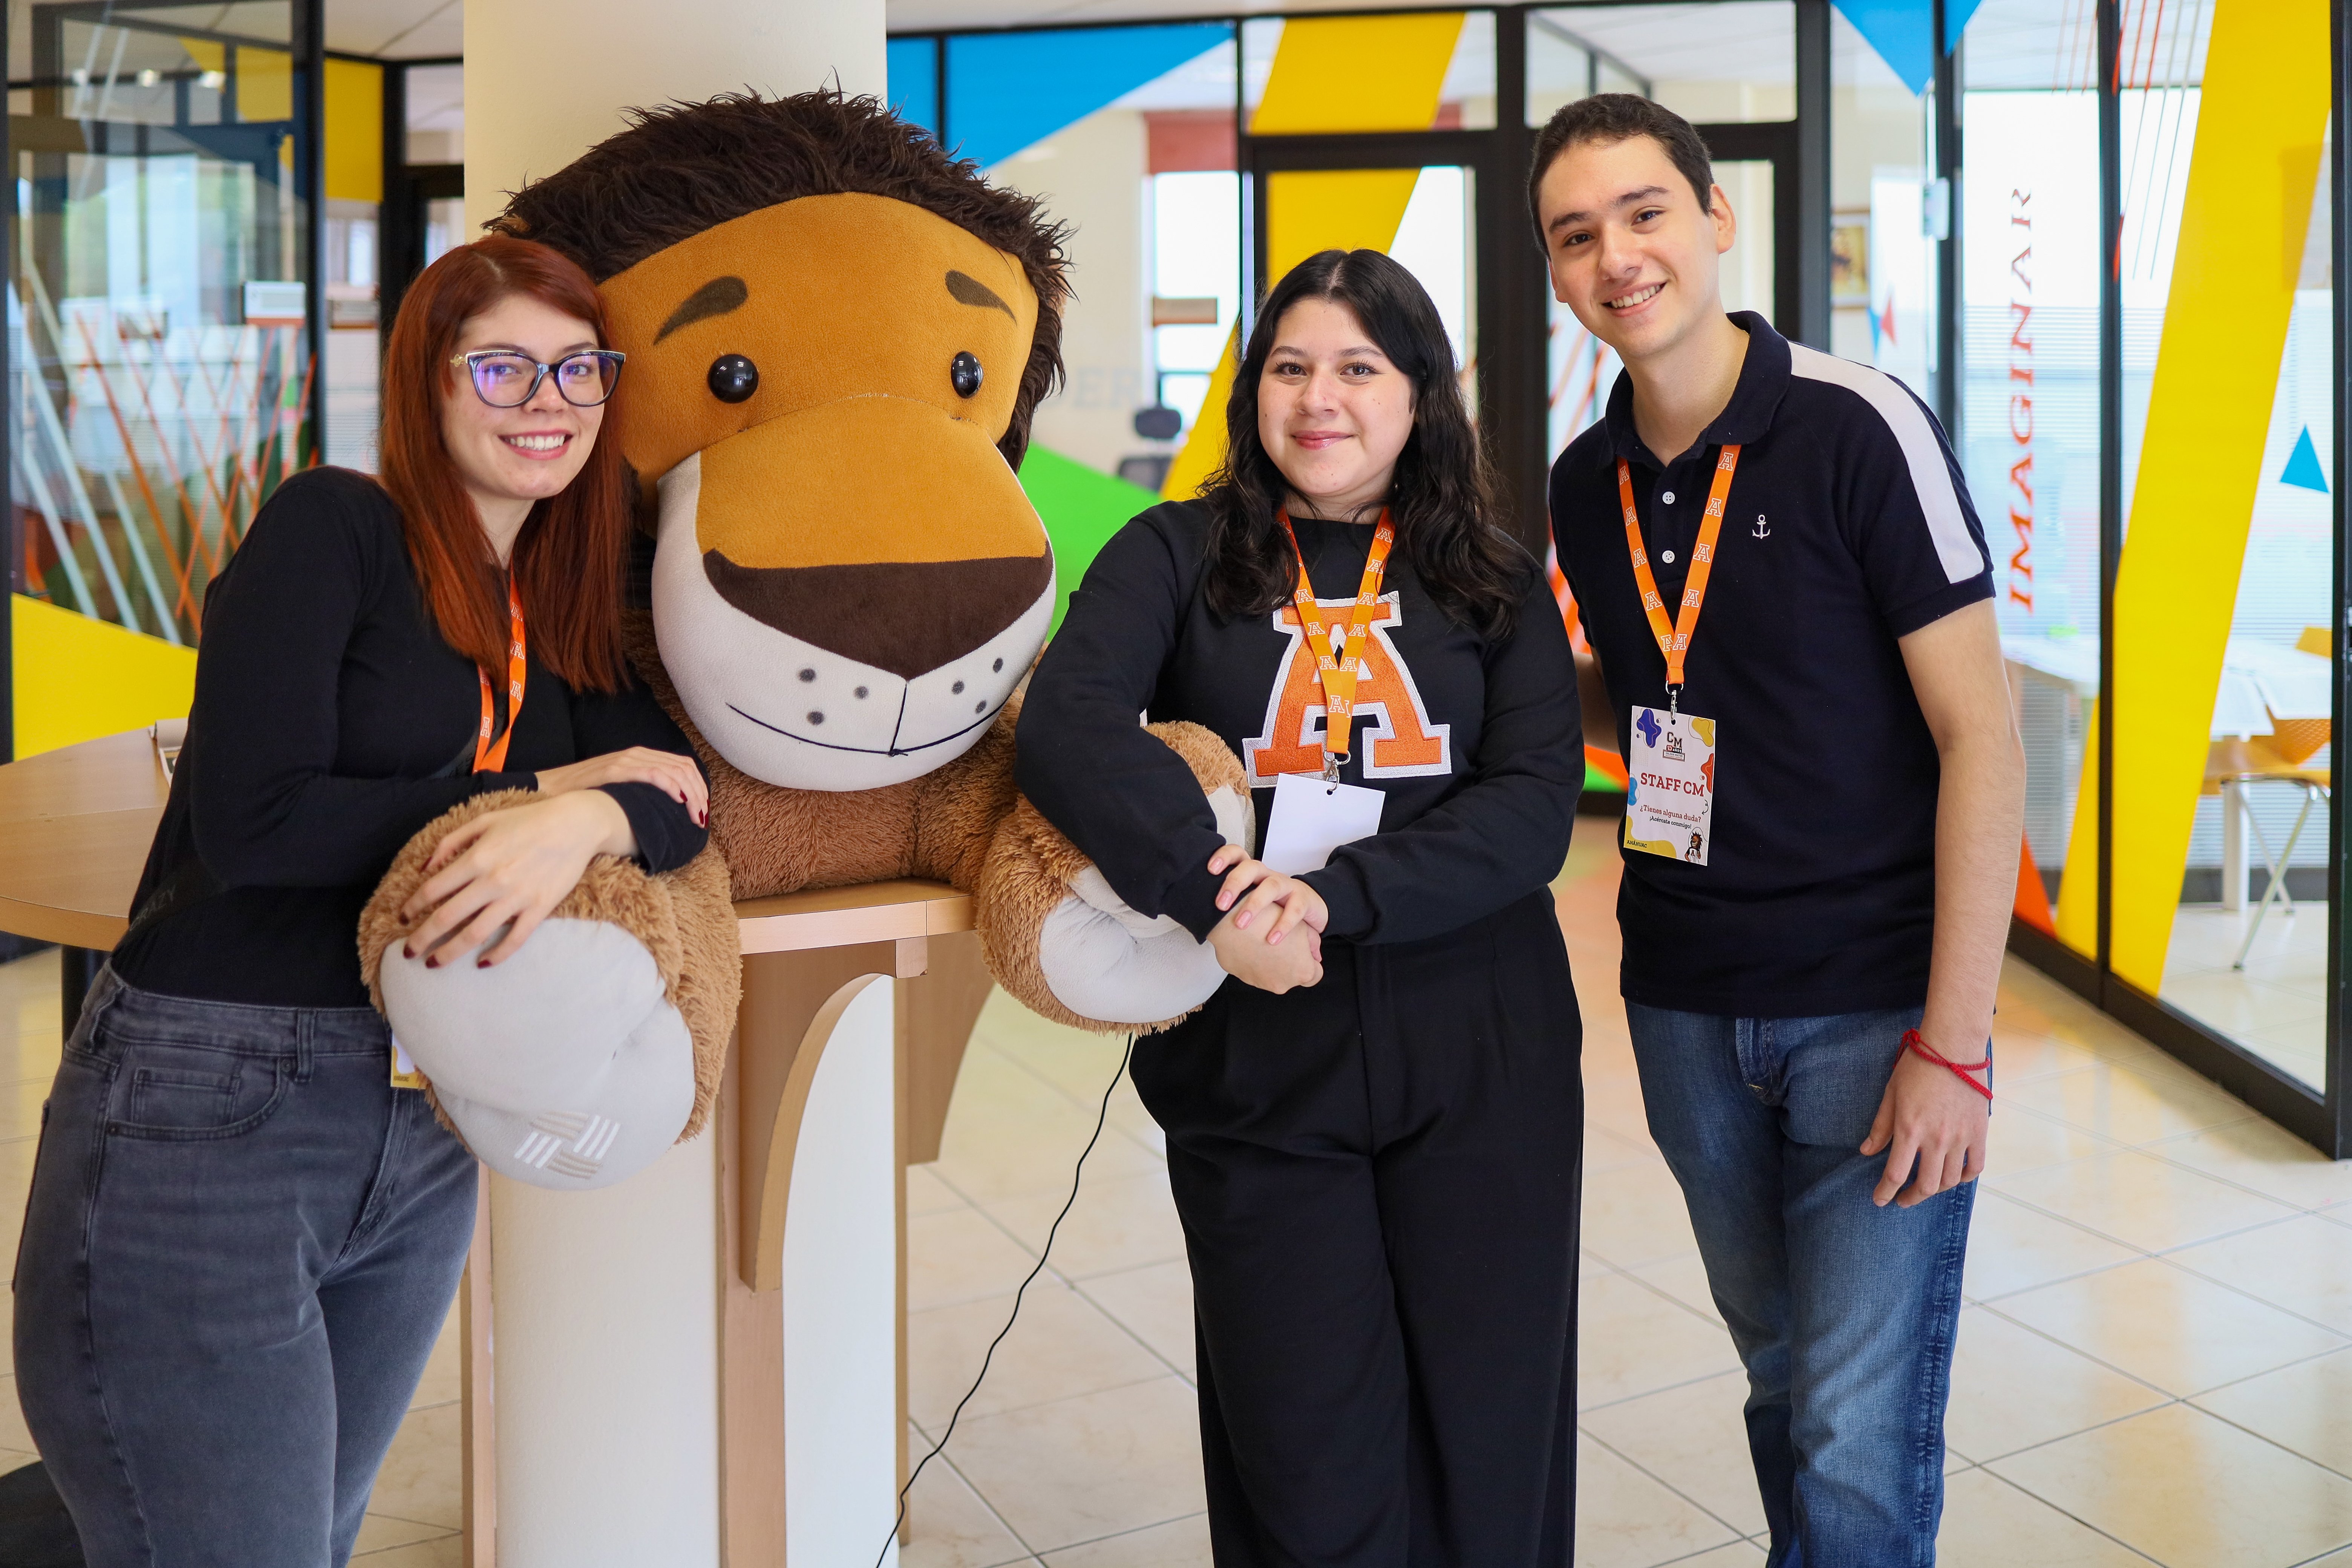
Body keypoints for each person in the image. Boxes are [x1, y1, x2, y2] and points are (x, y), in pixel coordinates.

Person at [13, 236, 711, 1567]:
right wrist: (545, 788)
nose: (545, 398)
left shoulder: (556, 604)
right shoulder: (339, 527)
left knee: (314, 1538)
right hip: (210, 1105)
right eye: (502, 365)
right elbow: (256, 821)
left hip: (422, 1121)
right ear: (429, 383)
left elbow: (675, 801)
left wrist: (579, 817)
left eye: (578, 369)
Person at [1019, 249, 1585, 1565]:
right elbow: (1067, 727)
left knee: (1491, 1429)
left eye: (1356, 368)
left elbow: (1532, 806)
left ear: (1420, 396)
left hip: (1479, 1042)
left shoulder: (1492, 576)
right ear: (1251, 389)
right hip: (1255, 1043)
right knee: (1301, 1442)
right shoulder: (1174, 550)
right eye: (1289, 367)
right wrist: (1218, 898)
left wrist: (1333, 900)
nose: (1318, 399)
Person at [1533, 95, 2026, 1564]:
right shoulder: (1583, 481)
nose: (1618, 255)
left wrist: (1957, 1038)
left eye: (1643, 212)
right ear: (1558, 272)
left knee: (1856, 1422)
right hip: (1685, 1001)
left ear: (1714, 218)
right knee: (1782, 1375)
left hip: (1876, 1007)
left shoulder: (1855, 425)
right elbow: (1648, 703)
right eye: (1578, 234)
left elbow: (1980, 735)